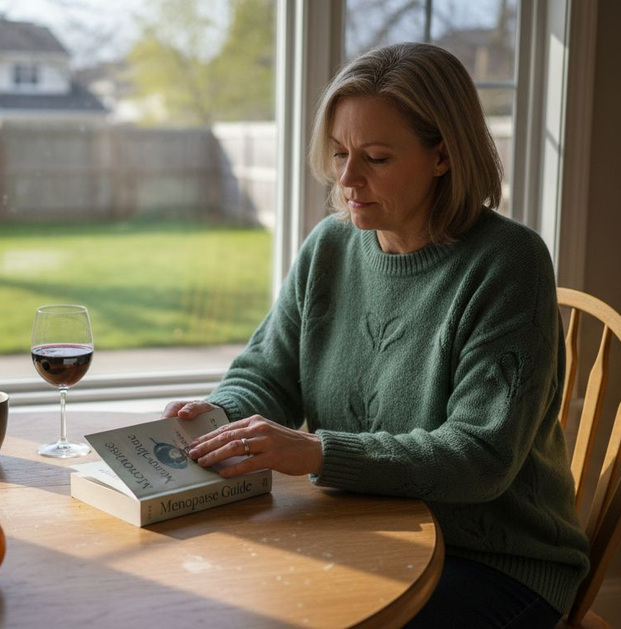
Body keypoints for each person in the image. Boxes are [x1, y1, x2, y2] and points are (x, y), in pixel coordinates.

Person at [163, 42, 589, 628]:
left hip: (493, 561)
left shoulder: (507, 262)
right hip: (361, 528)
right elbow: (268, 372)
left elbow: (480, 457)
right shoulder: (330, 247)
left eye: (377, 158)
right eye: (339, 153)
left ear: (443, 156)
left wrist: (317, 451)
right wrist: (222, 415)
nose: (347, 179)